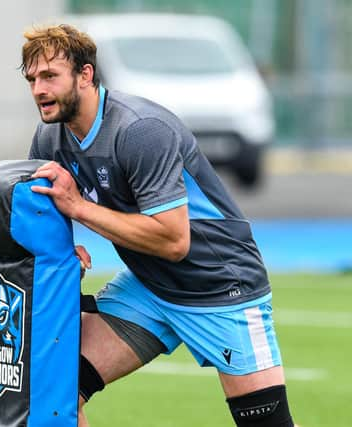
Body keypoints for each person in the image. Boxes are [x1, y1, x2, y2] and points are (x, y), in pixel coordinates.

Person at [20, 24, 296, 427]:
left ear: (85, 75)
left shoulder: (140, 130)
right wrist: (62, 251)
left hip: (220, 285)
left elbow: (173, 241)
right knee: (51, 393)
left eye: (49, 76)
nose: (38, 90)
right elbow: (46, 211)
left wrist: (79, 208)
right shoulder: (50, 138)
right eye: (31, 79)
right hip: (148, 288)